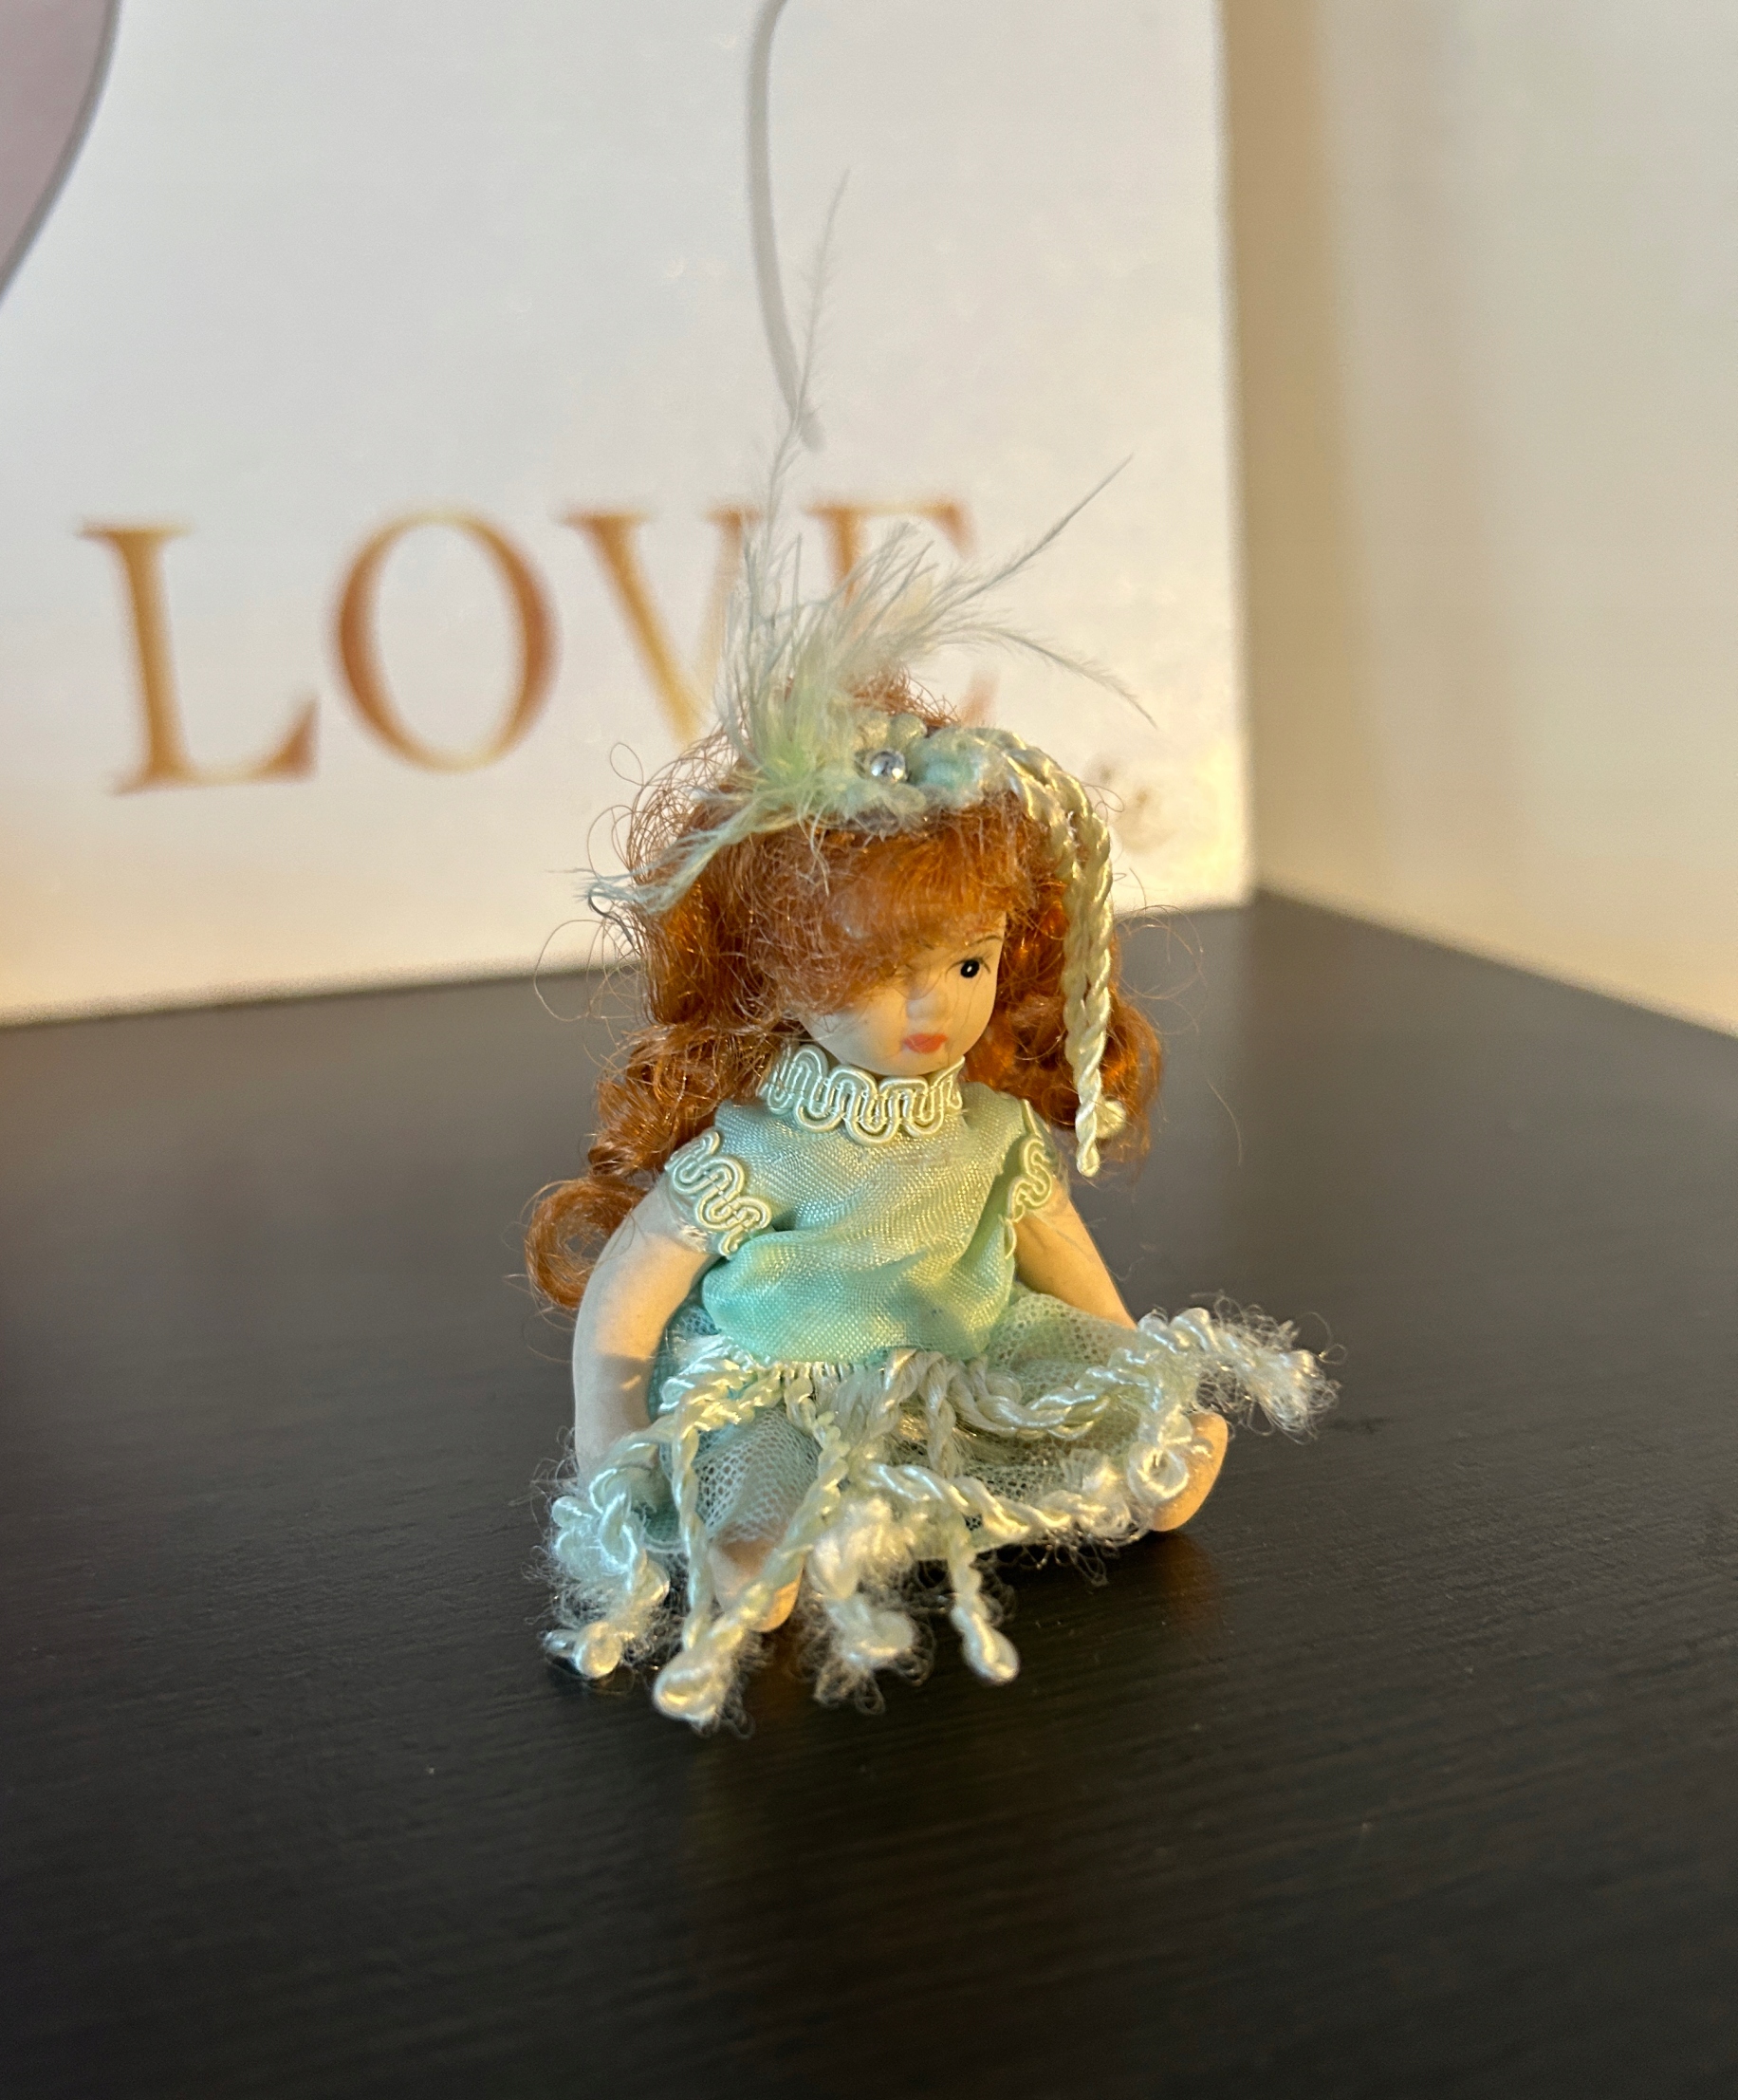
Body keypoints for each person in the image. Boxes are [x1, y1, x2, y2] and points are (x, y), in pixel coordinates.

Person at [525, 503, 1332, 1732]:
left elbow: (1061, 1255)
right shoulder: (761, 1149)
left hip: (966, 1354)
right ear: (779, 970)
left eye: (966, 964)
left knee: (1103, 1397)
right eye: (878, 972)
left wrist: (1128, 1361)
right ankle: (751, 1546)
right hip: (788, 1379)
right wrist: (610, 1430)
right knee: (762, 1475)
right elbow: (634, 1289)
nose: (931, 1009)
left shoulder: (987, 1127)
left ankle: (1133, 1458)